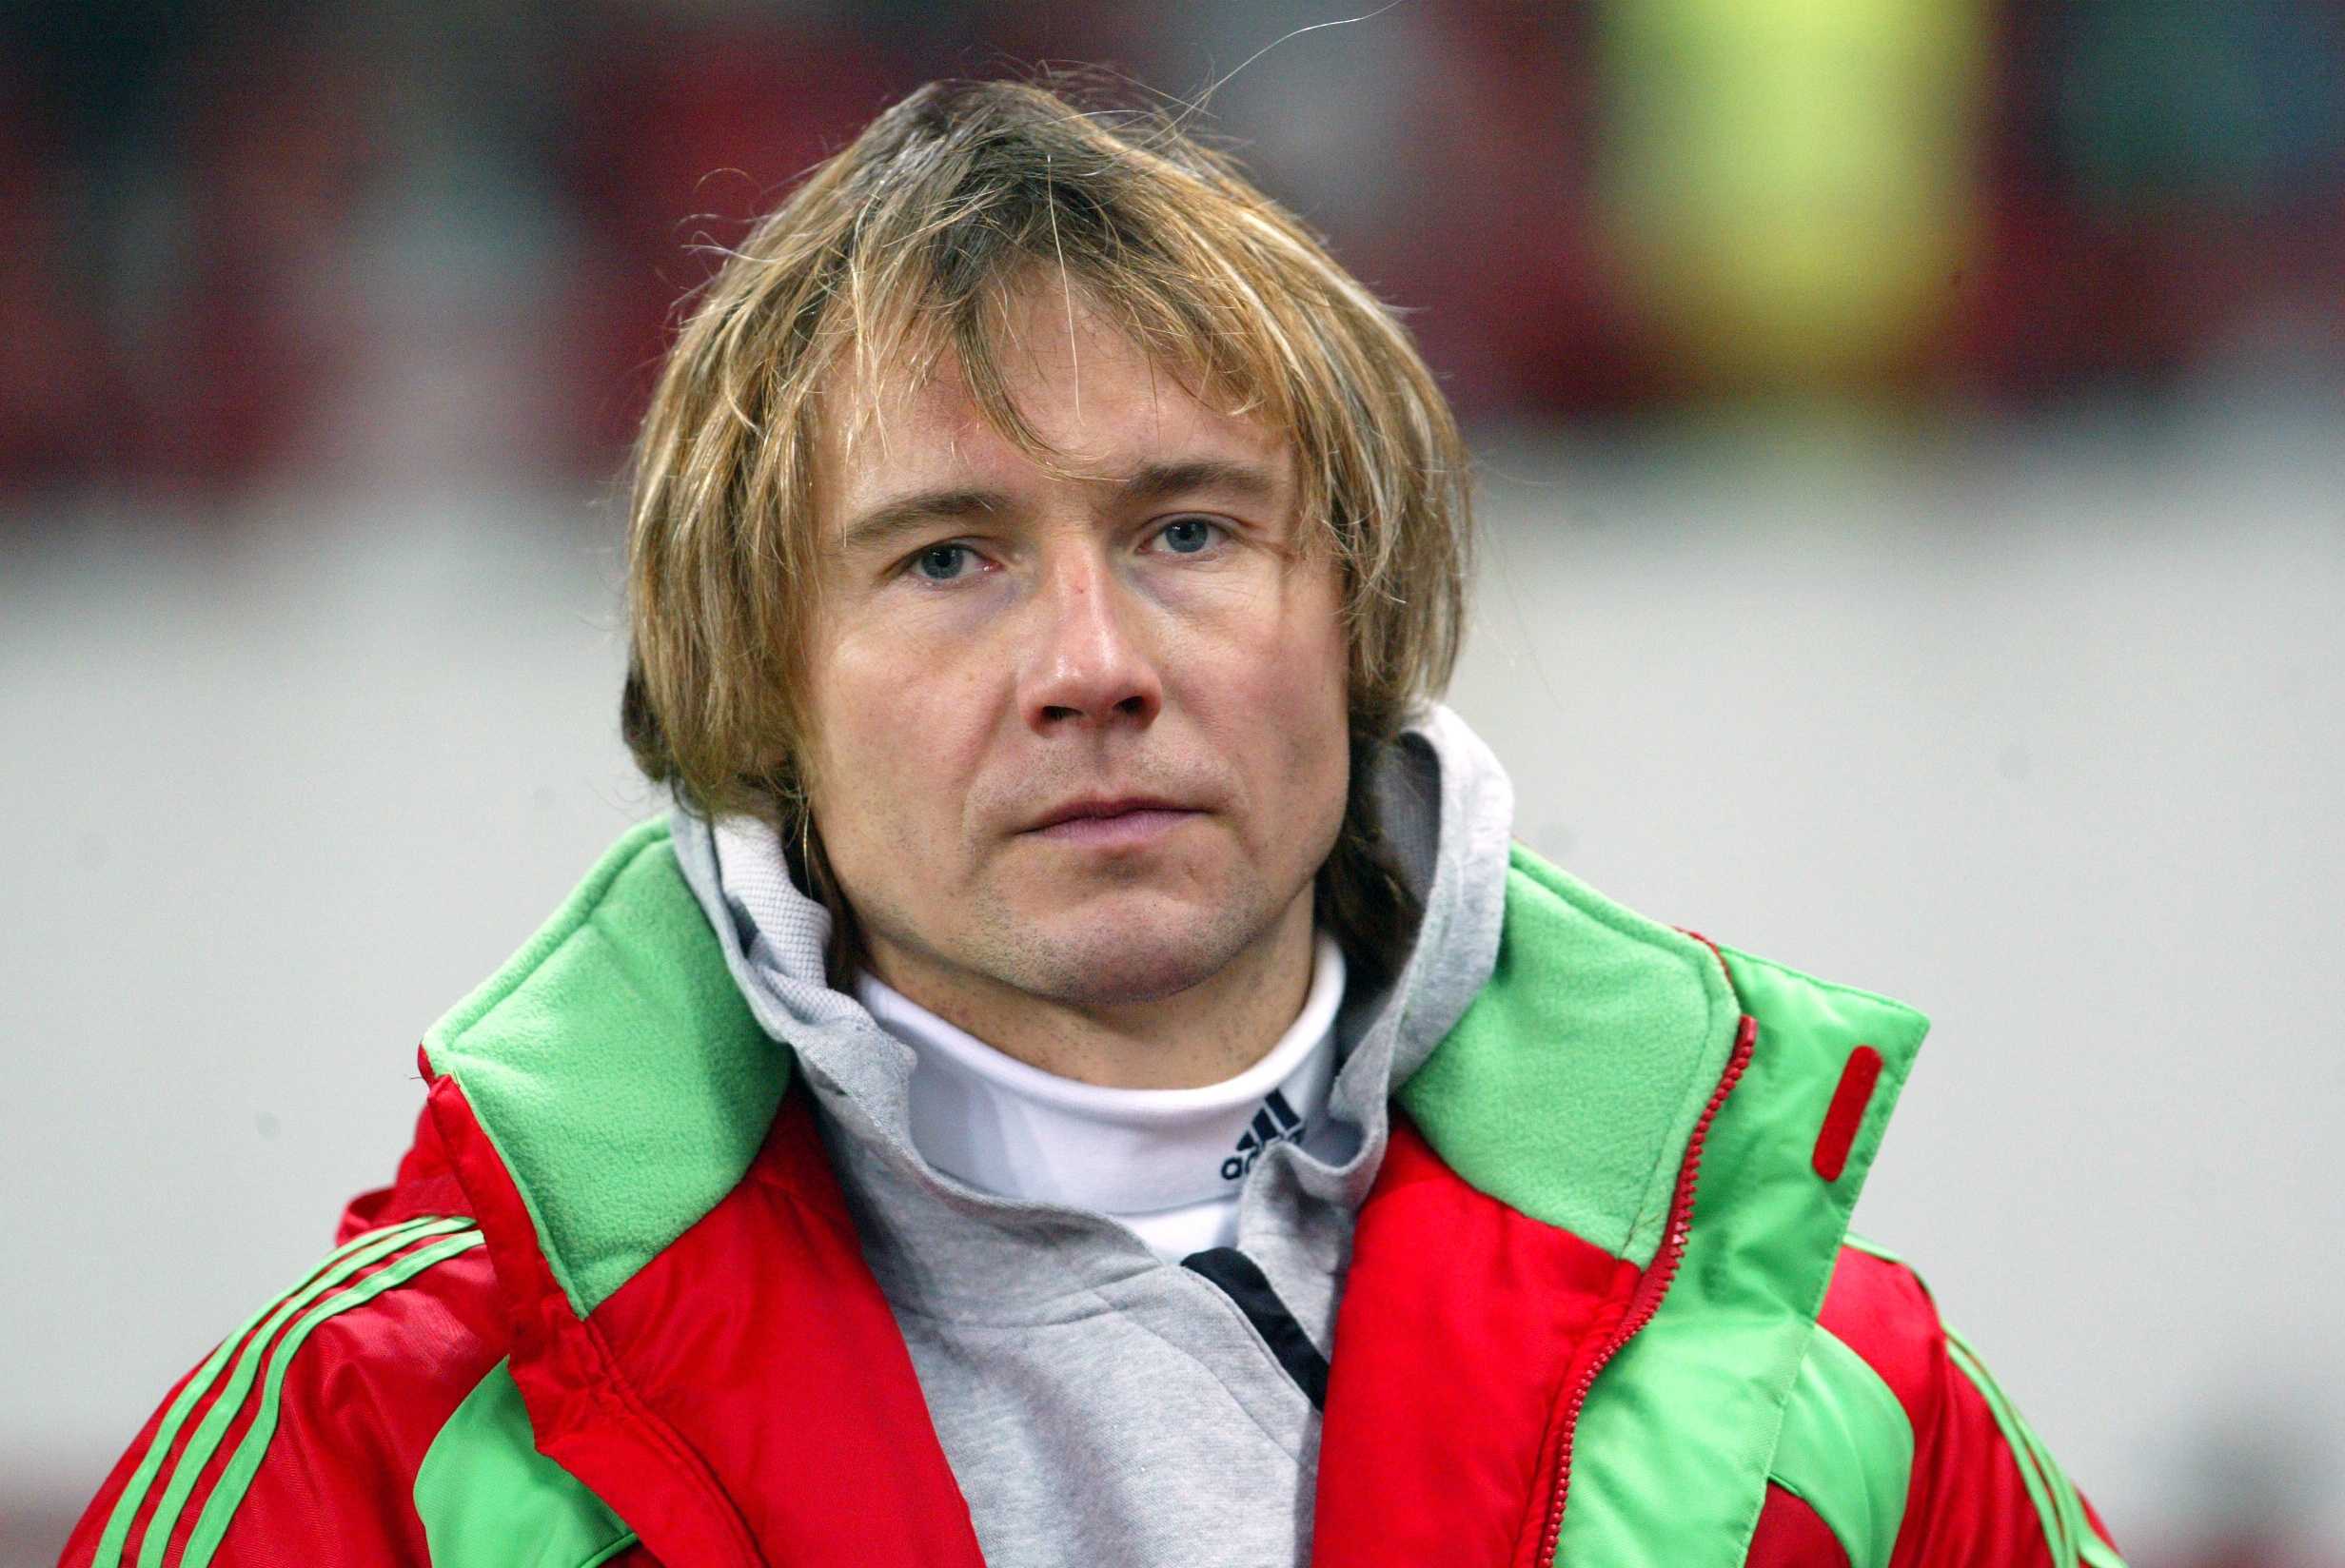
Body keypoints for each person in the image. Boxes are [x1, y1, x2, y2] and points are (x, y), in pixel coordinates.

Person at [60, 77, 2130, 1568]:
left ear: (1356, 613)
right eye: (947, 557)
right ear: (762, 689)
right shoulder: (393, 1440)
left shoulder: (1815, 1402)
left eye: (1188, 530)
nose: (1090, 663)